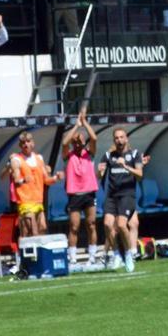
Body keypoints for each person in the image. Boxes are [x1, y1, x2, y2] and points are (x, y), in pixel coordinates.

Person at [97, 127, 146, 272]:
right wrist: (99, 172)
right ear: (114, 140)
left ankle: (129, 254)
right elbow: (99, 176)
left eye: (121, 137)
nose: (119, 140)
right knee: (107, 224)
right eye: (116, 138)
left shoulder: (135, 154)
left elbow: (140, 175)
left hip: (127, 195)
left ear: (126, 139)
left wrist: (126, 166)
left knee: (122, 225)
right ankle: (117, 253)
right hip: (112, 196)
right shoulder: (108, 156)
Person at [62, 110, 99, 269]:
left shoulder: (89, 154)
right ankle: (72, 258)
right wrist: (76, 126)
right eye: (75, 142)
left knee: (91, 224)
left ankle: (92, 255)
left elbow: (94, 138)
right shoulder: (68, 155)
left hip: (89, 193)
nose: (78, 144)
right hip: (75, 195)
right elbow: (64, 143)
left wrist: (85, 124)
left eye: (80, 142)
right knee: (74, 226)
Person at [10, 131, 61, 239]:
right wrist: (23, 180)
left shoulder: (39, 158)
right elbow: (16, 180)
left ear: (32, 143)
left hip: (38, 200)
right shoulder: (16, 160)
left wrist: (56, 177)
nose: (26, 144)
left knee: (42, 228)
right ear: (20, 145)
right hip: (25, 201)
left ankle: (34, 253)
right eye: (23, 142)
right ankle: (25, 254)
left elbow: (46, 179)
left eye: (28, 141)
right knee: (32, 230)